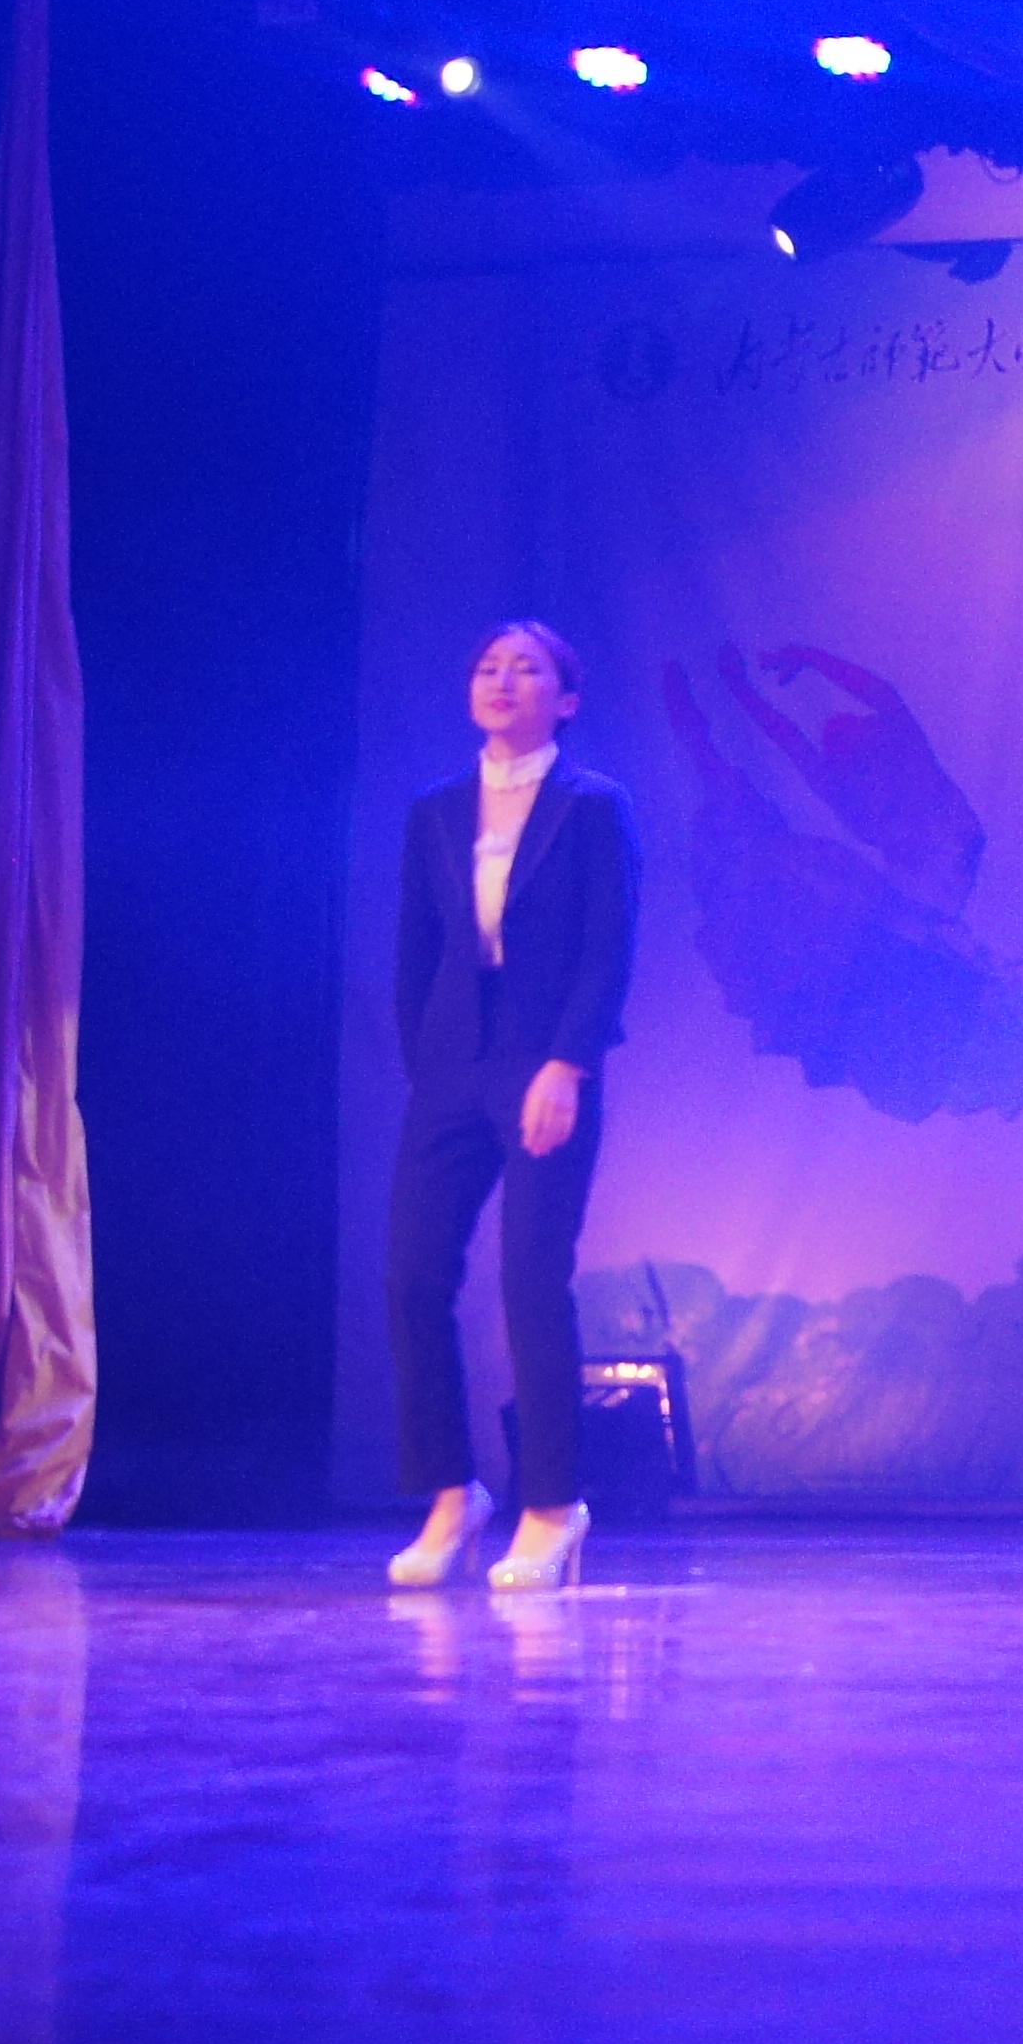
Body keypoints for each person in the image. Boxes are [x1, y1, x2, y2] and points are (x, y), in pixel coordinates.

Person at [386, 621, 640, 1593]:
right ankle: (452, 1494)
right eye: (489, 667)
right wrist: (426, 1060)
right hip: (453, 1064)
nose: (503, 680)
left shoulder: (592, 806)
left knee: (531, 1279)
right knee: (412, 1275)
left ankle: (552, 1505)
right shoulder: (436, 811)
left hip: (545, 1062)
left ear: (564, 700)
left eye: (527, 669)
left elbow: (609, 946)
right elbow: (416, 947)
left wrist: (568, 1063)